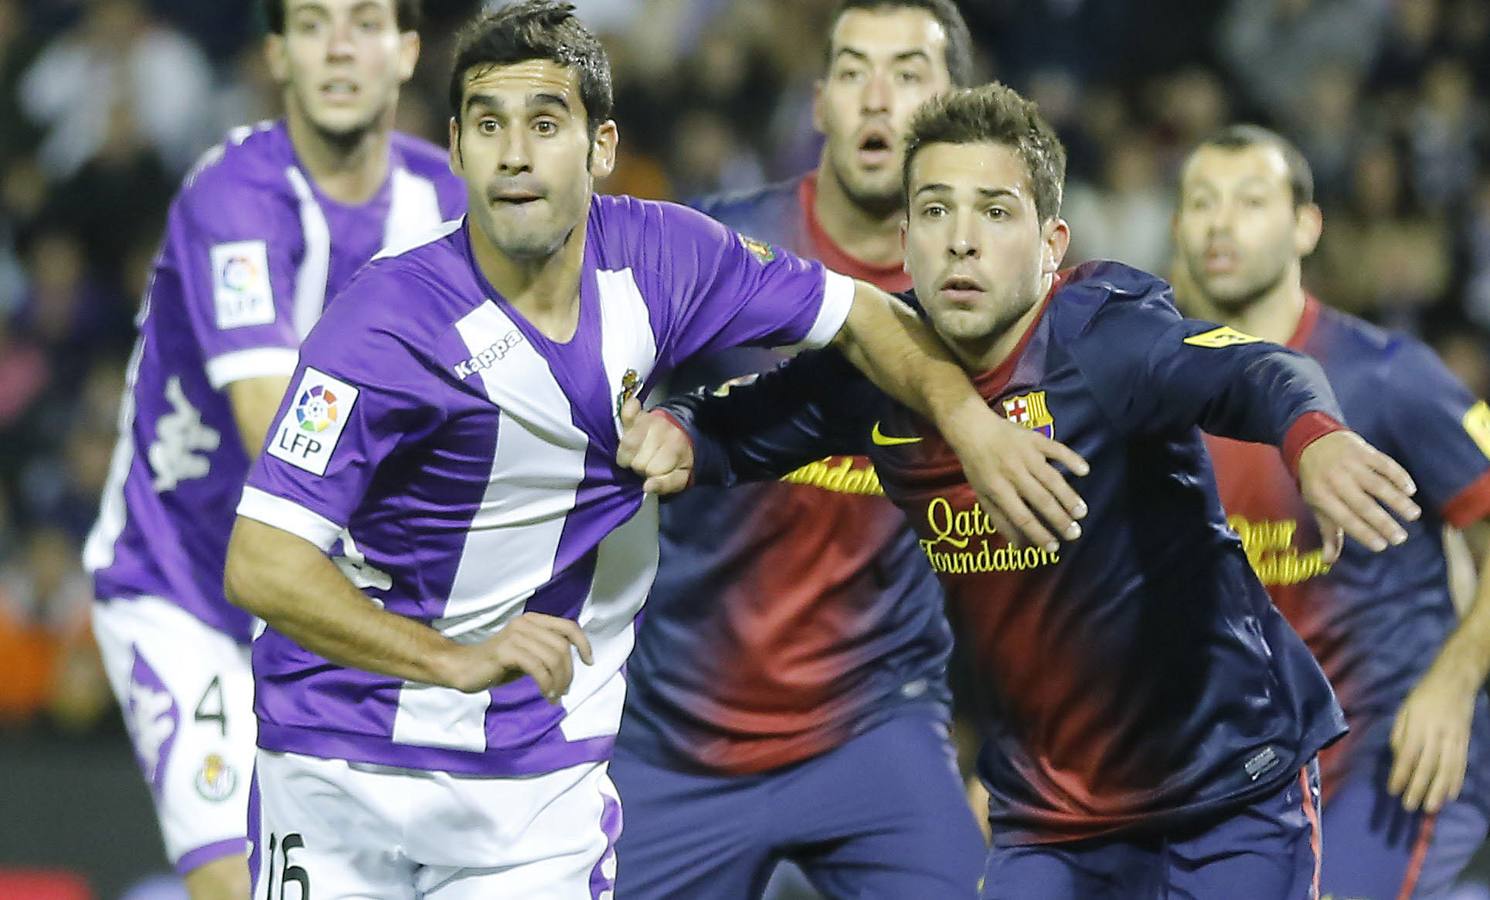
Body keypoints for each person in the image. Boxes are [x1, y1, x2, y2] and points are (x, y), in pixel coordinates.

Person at [220, 5, 1086, 898]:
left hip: (538, 781)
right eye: (489, 125)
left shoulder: (665, 260)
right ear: (455, 147)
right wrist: (451, 656)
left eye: (545, 124)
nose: (515, 153)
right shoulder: (380, 326)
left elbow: (866, 315)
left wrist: (974, 424)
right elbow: (262, 563)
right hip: (339, 761)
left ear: (601, 148)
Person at [619, 83, 1422, 898]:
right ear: (906, 239)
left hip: (1227, 795)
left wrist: (1314, 441)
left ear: (1052, 244)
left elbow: (1257, 368)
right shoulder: (881, 372)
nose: (961, 241)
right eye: (935, 211)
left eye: (995, 213)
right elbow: (741, 421)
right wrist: (676, 432)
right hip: (1049, 823)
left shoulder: (1104, 338)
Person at [81, 1, 462, 897]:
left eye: (365, 21)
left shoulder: (448, 201)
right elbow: (280, 447)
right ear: (274, 55)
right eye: (312, 23)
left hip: (337, 599)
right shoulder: (233, 198)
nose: (338, 46)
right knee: (241, 887)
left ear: (407, 51)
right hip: (185, 593)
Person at [611, 1, 986, 896]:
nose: (878, 100)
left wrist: (1011, 757)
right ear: (818, 102)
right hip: (678, 736)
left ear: (958, 105)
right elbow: (591, 410)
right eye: (854, 73)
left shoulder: (986, 291)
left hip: (877, 728)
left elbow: (1041, 565)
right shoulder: (712, 247)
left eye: (909, 74)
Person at [1175, 124, 1490, 899]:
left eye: (1251, 201)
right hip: (1239, 764)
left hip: (1397, 755)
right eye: (1202, 202)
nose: (1221, 222)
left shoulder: (1390, 378)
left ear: (1305, 225)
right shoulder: (1155, 389)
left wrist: (1452, 686)